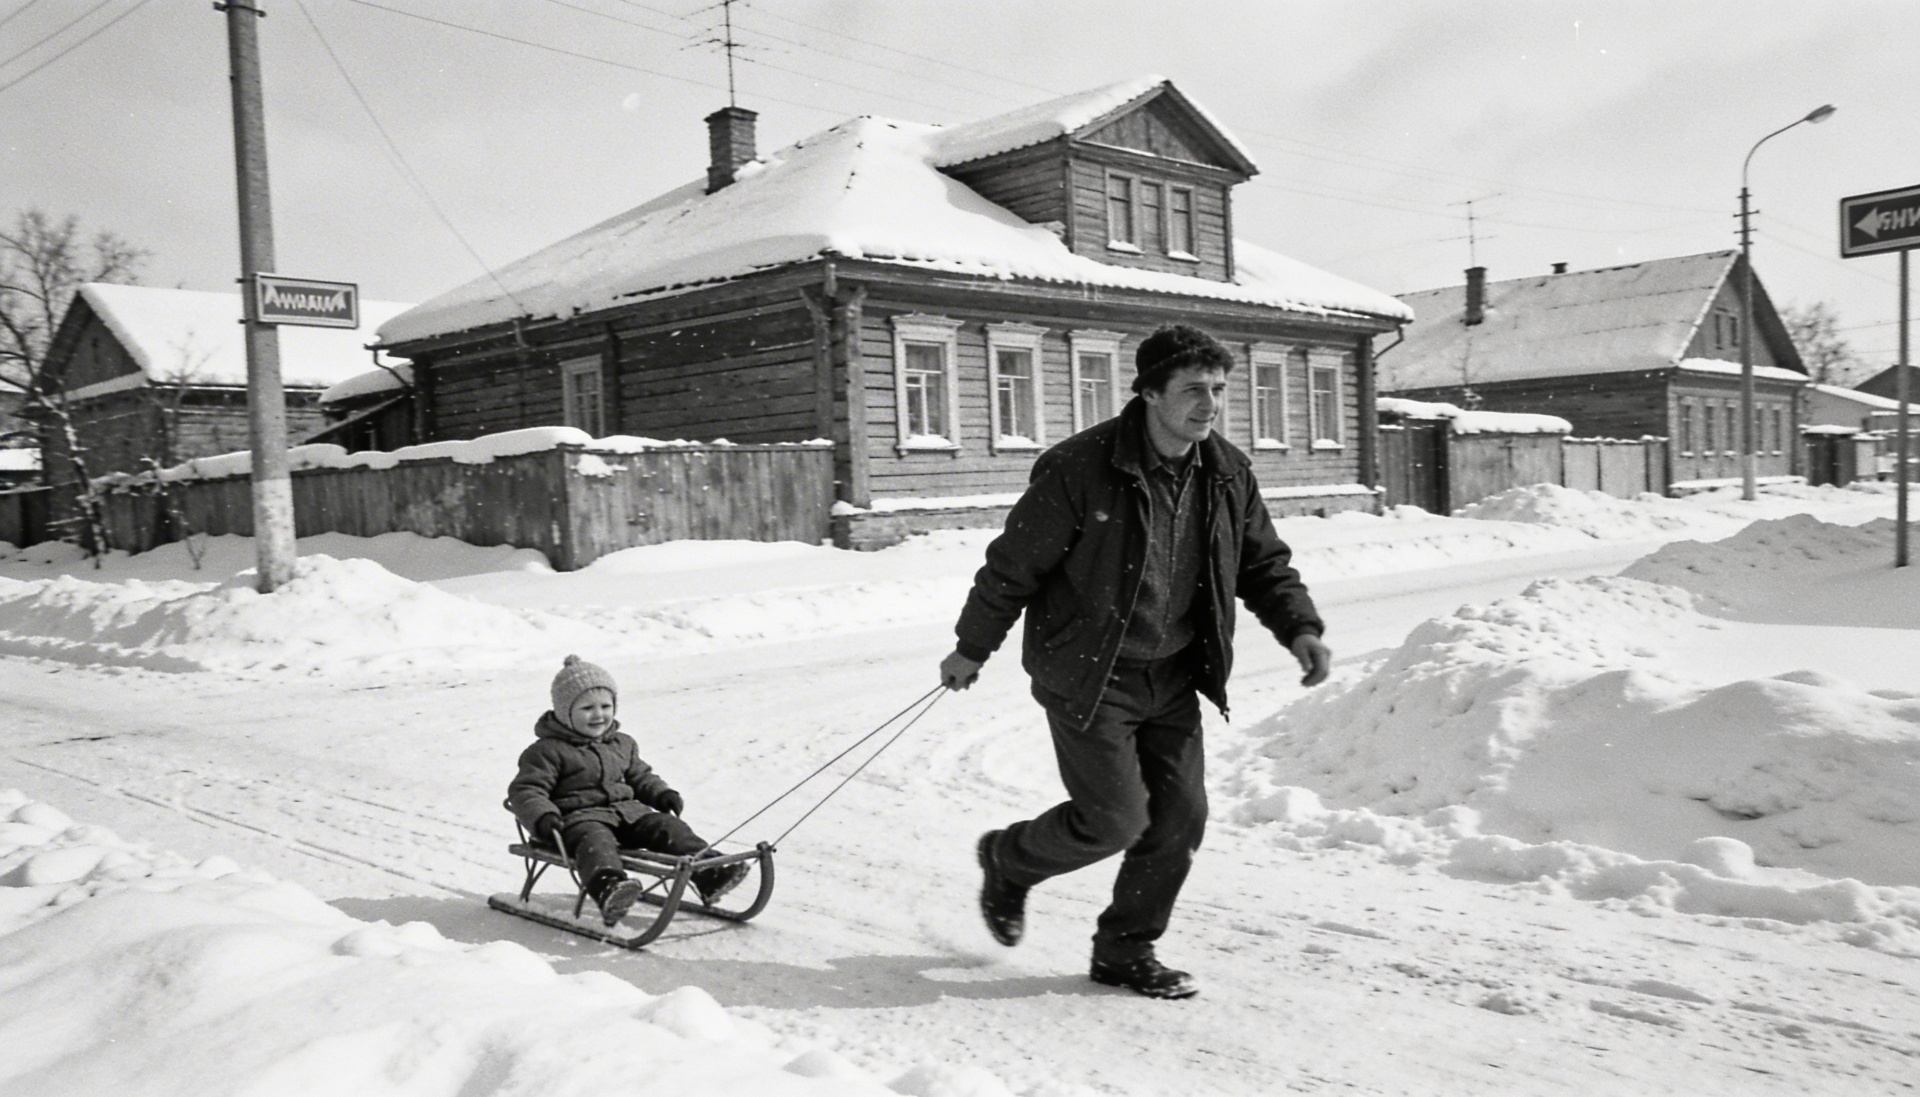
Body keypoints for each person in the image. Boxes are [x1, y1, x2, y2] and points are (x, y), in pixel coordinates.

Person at [939, 323, 1333, 1000]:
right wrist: (972, 647)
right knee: (1116, 818)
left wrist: (1298, 626)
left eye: (1218, 389)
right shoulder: (1079, 469)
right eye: (1192, 390)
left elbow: (1263, 562)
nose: (1209, 404)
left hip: (1174, 674)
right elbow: (1012, 568)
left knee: (1180, 819)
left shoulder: (1227, 470)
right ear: (1150, 392)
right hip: (1090, 672)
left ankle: (1125, 949)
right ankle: (1009, 858)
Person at [508, 654, 749, 926]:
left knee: (667, 826)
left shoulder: (622, 743)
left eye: (605, 706)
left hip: (628, 815)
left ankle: (709, 873)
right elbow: (526, 790)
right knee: (596, 840)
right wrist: (542, 816)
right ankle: (609, 887)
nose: (599, 715)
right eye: (587, 708)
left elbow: (639, 775)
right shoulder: (546, 751)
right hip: (578, 821)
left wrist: (660, 793)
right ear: (565, 713)